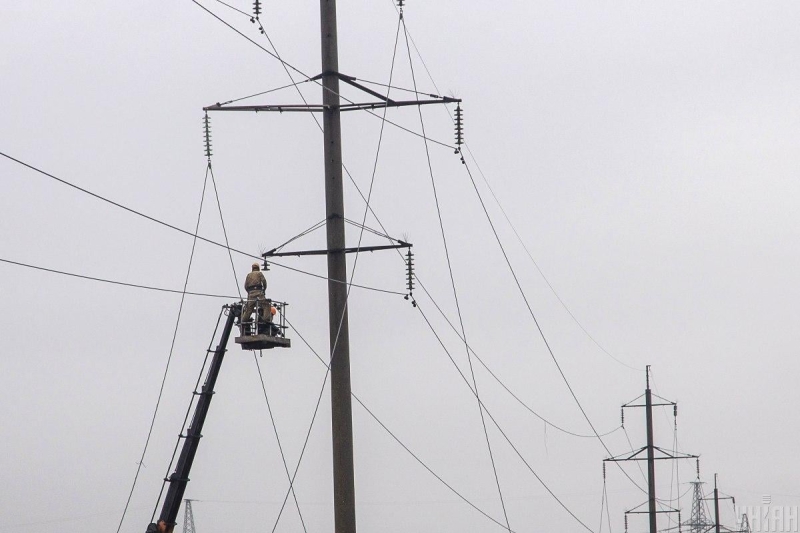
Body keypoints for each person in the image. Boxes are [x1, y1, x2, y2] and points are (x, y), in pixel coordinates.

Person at [242, 262, 270, 327]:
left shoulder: (248, 275)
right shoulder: (259, 273)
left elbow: (245, 286)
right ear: (258, 268)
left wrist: (249, 292)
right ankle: (265, 320)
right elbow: (264, 282)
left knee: (249, 309)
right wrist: (264, 290)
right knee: (266, 305)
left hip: (251, 293)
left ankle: (243, 321)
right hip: (259, 292)